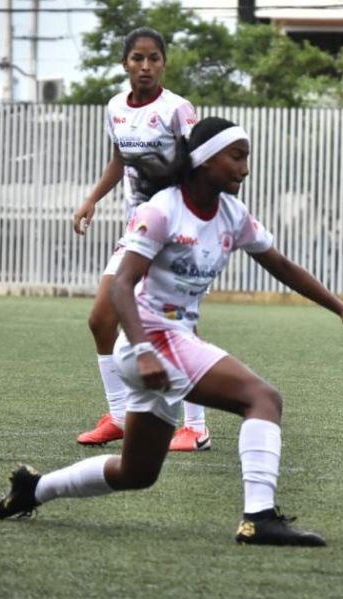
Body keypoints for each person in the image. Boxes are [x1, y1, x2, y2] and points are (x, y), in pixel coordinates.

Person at [0, 117, 343, 546]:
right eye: (237, 157)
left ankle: (34, 488)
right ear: (203, 159)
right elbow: (122, 284)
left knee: (136, 473)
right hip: (152, 340)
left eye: (246, 157)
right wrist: (142, 349)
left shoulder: (233, 215)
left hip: (166, 346)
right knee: (264, 398)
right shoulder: (161, 210)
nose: (245, 168)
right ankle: (259, 517)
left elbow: (283, 266)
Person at [71, 28, 212, 452]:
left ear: (164, 63)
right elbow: (120, 158)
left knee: (176, 323)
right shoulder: (115, 107)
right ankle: (117, 416)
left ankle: (197, 427)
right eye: (137, 58)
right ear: (125, 64)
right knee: (100, 319)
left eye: (153, 59)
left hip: (173, 230)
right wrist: (92, 199)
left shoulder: (177, 109)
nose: (145, 66)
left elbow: (196, 164)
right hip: (137, 230)